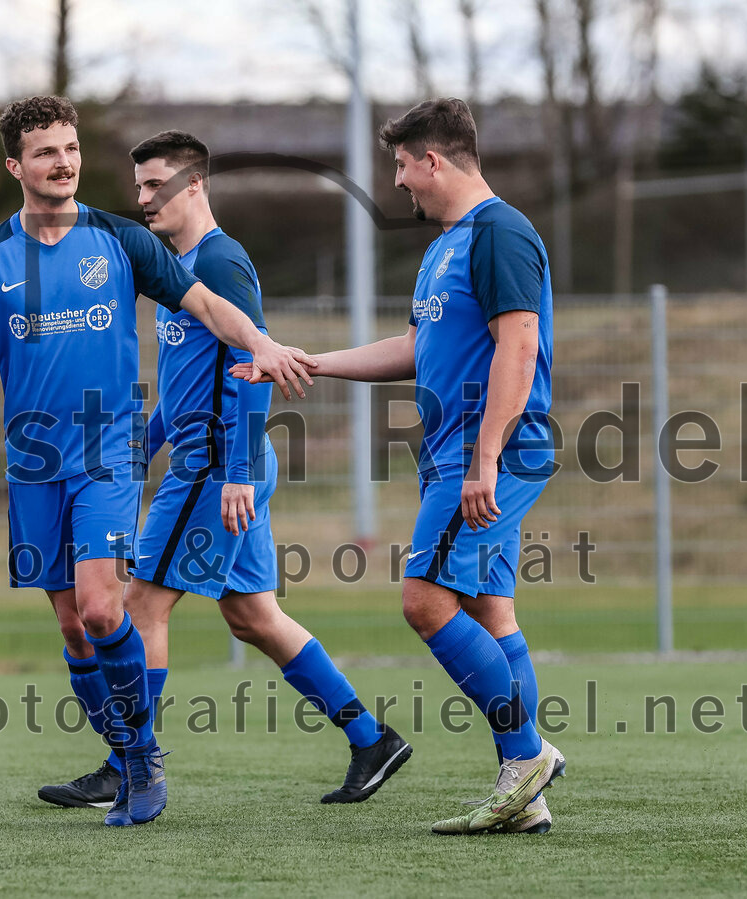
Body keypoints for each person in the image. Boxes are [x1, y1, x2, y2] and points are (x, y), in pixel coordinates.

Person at [0, 96, 315, 828]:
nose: (63, 162)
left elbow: (205, 304)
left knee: (107, 607)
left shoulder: (118, 241)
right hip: (35, 465)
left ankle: (141, 764)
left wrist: (258, 342)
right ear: (16, 165)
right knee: (75, 627)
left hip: (108, 457)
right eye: (45, 152)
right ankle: (127, 752)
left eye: (70, 148)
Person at [41, 130, 412, 809]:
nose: (143, 199)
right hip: (212, 460)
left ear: (195, 185)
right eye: (139, 187)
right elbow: (187, 381)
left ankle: (129, 764)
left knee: (141, 606)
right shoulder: (176, 267)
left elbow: (254, 368)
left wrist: (236, 469)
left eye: (156, 186)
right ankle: (371, 737)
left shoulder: (223, 262)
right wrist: (144, 440)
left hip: (217, 467)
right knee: (252, 616)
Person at [232, 98, 565, 835]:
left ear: (433, 160)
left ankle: (525, 755)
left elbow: (518, 346)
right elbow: (417, 347)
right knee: (488, 608)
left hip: (491, 455)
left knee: (424, 599)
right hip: (457, 455)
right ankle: (527, 796)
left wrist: (484, 458)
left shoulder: (501, 232)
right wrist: (306, 363)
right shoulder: (447, 245)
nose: (397, 180)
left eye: (401, 164)